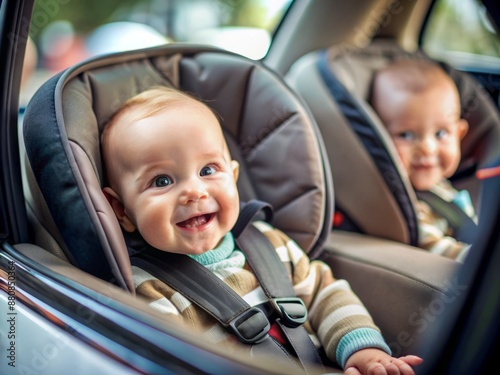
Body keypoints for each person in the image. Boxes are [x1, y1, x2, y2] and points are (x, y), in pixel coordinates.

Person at [101, 86, 423, 374]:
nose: (194, 192)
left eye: (208, 170)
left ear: (234, 176)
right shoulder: (150, 291)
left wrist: (363, 351)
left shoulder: (270, 244)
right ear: (121, 211)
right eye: (162, 181)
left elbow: (325, 295)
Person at [370, 59, 475, 262]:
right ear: (380, 141)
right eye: (406, 135)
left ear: (459, 134)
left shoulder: (442, 188)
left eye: (440, 133)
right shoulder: (407, 208)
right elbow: (436, 250)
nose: (427, 147)